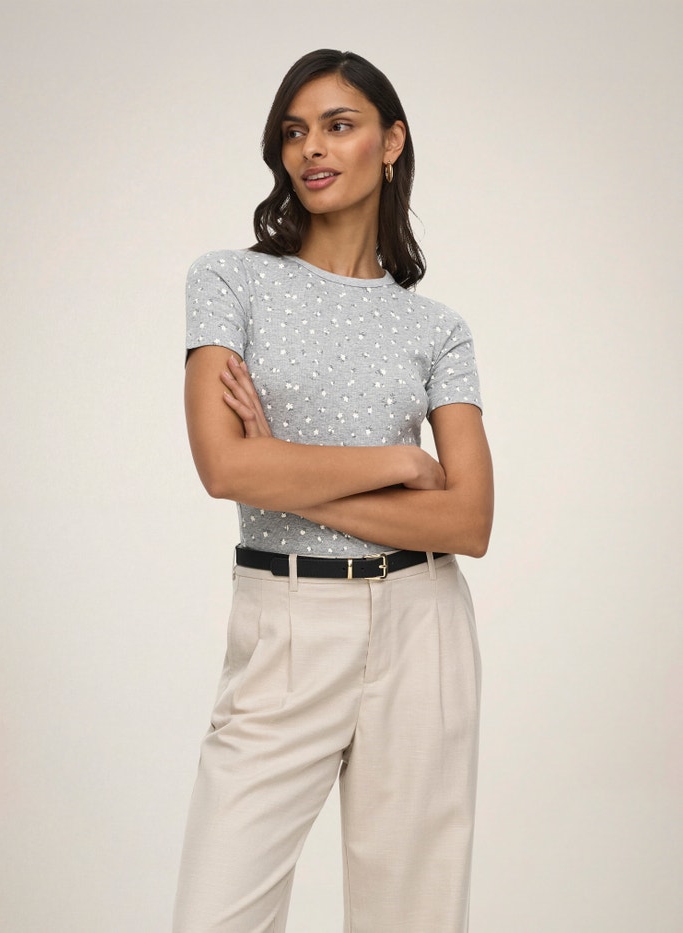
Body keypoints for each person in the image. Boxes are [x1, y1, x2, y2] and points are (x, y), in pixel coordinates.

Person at [174, 48, 493, 933]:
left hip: (422, 625)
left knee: (413, 917)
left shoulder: (437, 328)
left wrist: (285, 463)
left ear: (391, 143)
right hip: (284, 623)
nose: (311, 148)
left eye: (338, 125)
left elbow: (468, 519)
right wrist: (398, 463)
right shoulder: (229, 282)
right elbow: (225, 468)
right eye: (294, 131)